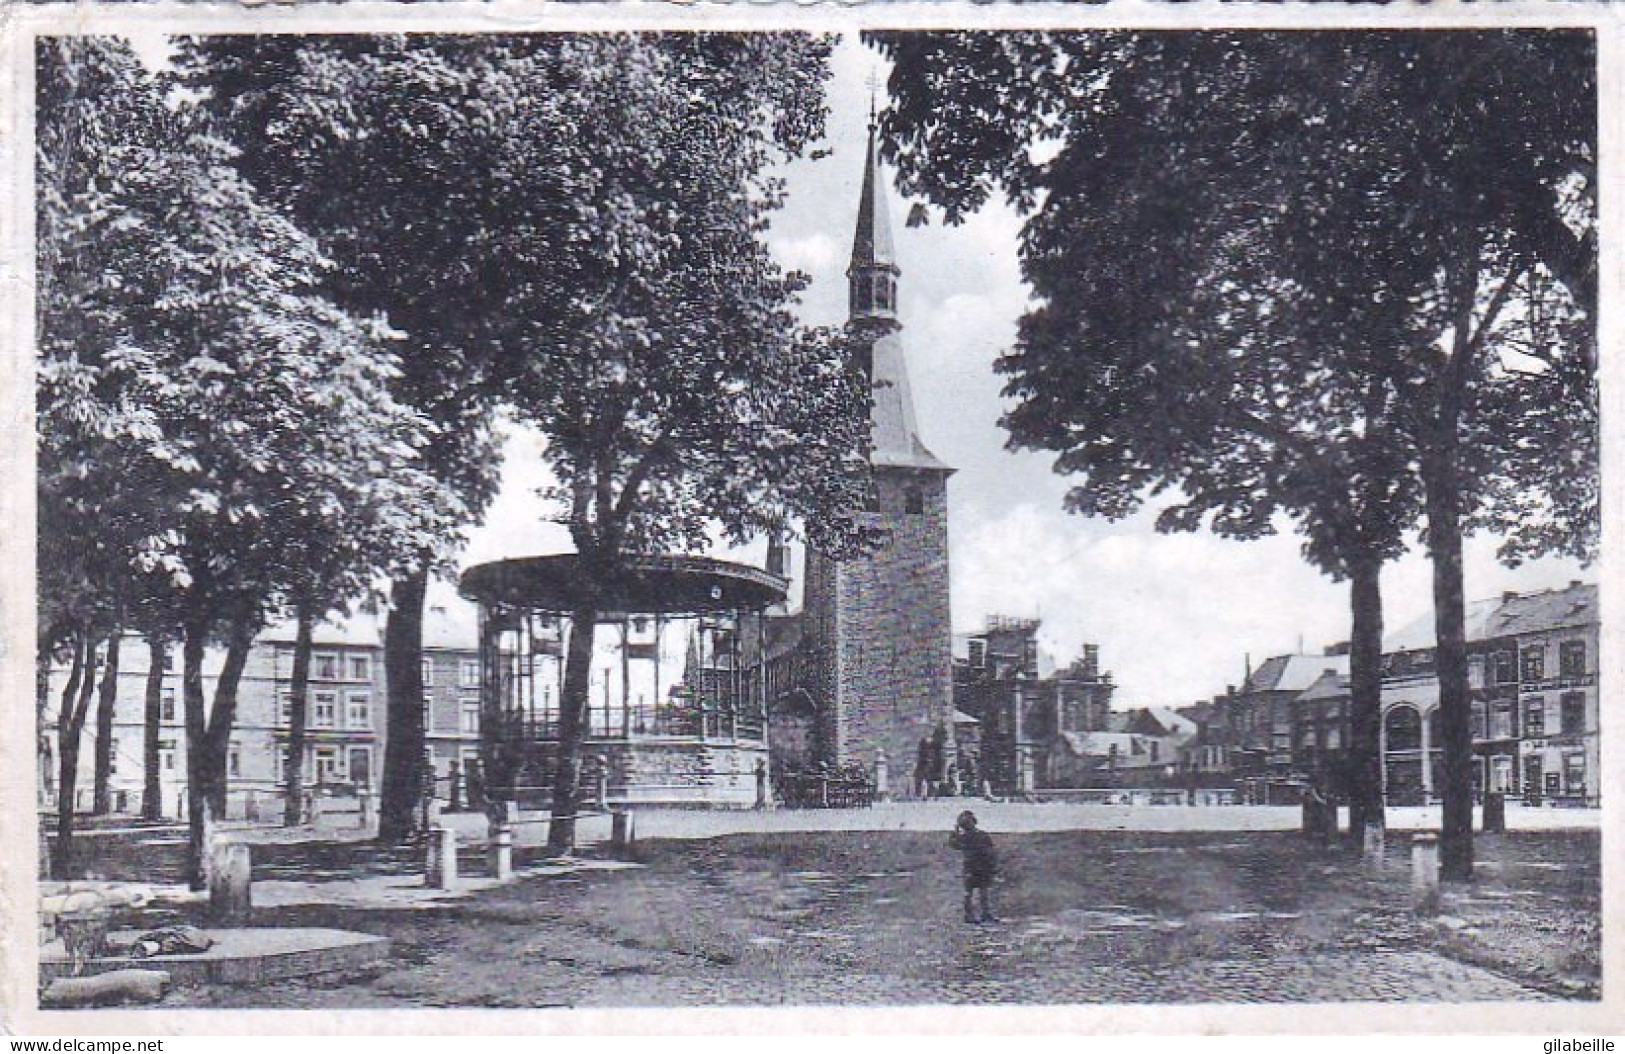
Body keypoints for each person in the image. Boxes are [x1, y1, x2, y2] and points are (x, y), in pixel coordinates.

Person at [948, 810, 1000, 923]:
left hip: (977, 866)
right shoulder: (976, 835)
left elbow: (991, 850)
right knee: (974, 892)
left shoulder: (973, 836)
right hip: (974, 866)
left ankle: (978, 914)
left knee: (978, 892)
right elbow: (953, 844)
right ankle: (975, 914)